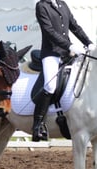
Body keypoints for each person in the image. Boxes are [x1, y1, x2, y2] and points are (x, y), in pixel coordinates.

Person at [32, 0, 95, 142]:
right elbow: (49, 32)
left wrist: (88, 42)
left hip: (67, 53)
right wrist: (70, 45)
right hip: (51, 53)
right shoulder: (42, 6)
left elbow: (74, 26)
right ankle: (38, 125)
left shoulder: (62, 4)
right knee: (50, 85)